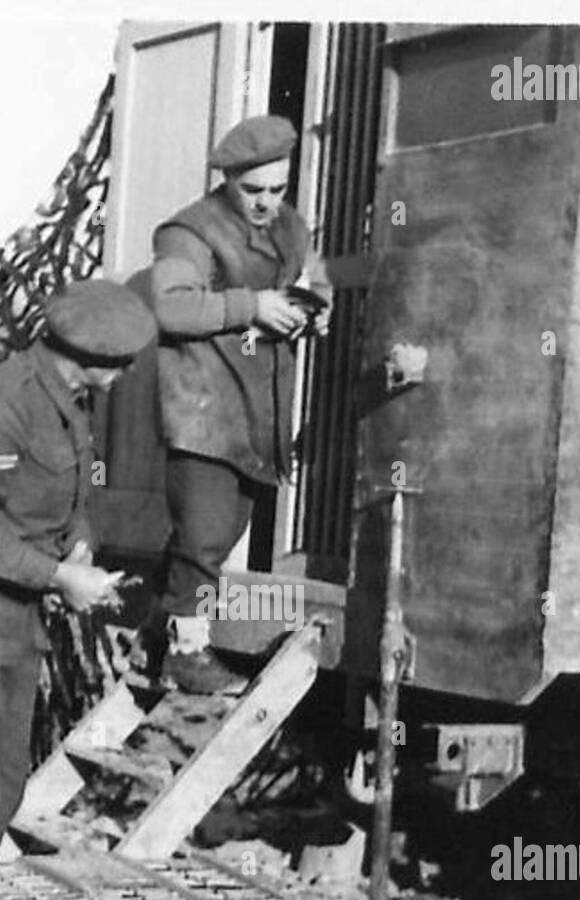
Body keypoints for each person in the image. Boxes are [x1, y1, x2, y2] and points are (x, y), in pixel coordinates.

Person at [0, 279, 156, 860]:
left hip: (14, 625)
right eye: (118, 362)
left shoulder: (69, 405)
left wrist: (79, 549)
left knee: (0, 797)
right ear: (87, 355)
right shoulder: (5, 399)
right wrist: (58, 577)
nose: (125, 373)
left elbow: (69, 500)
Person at [146, 114, 331, 693]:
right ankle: (186, 651)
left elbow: (314, 277)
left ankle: (157, 635)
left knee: (221, 535)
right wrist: (252, 307)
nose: (266, 203)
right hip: (202, 408)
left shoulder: (292, 227)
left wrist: (311, 309)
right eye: (253, 191)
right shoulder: (189, 232)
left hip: (257, 411)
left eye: (278, 190)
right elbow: (171, 307)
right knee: (202, 537)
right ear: (227, 179)